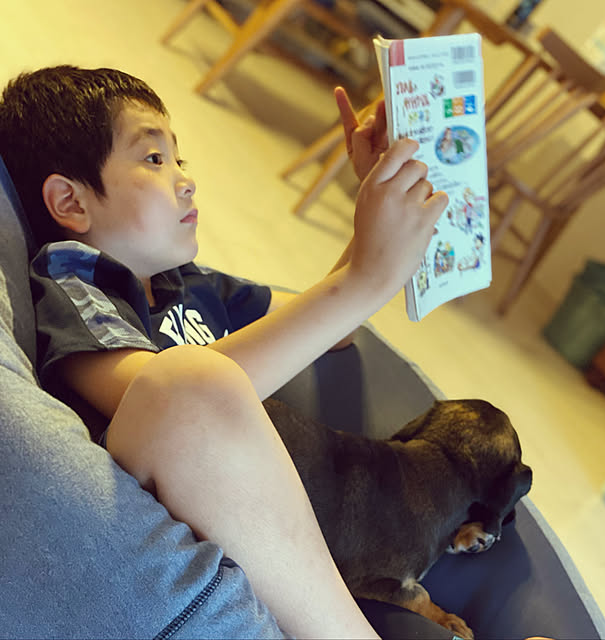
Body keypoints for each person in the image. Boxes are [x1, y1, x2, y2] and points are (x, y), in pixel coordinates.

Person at [0, 66, 448, 639]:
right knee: (183, 383)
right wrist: (366, 280)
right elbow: (172, 399)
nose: (186, 180)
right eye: (155, 159)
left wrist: (372, 219)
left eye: (179, 159)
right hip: (167, 563)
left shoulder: (188, 282)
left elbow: (330, 330)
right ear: (71, 201)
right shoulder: (74, 285)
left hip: (280, 555)